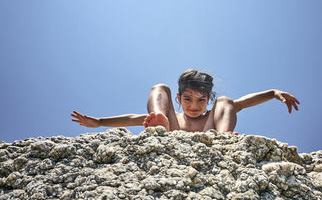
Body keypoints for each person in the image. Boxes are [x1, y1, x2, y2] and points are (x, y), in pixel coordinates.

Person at [71, 69, 300, 133]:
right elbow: (132, 119)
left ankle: (225, 139)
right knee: (160, 87)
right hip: (168, 128)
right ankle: (159, 121)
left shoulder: (211, 114)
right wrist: (99, 122)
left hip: (214, 134)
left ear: (207, 100)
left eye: (201, 100)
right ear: (179, 99)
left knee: (227, 101)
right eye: (188, 99)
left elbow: (242, 103)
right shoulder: (175, 117)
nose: (193, 105)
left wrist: (272, 93)